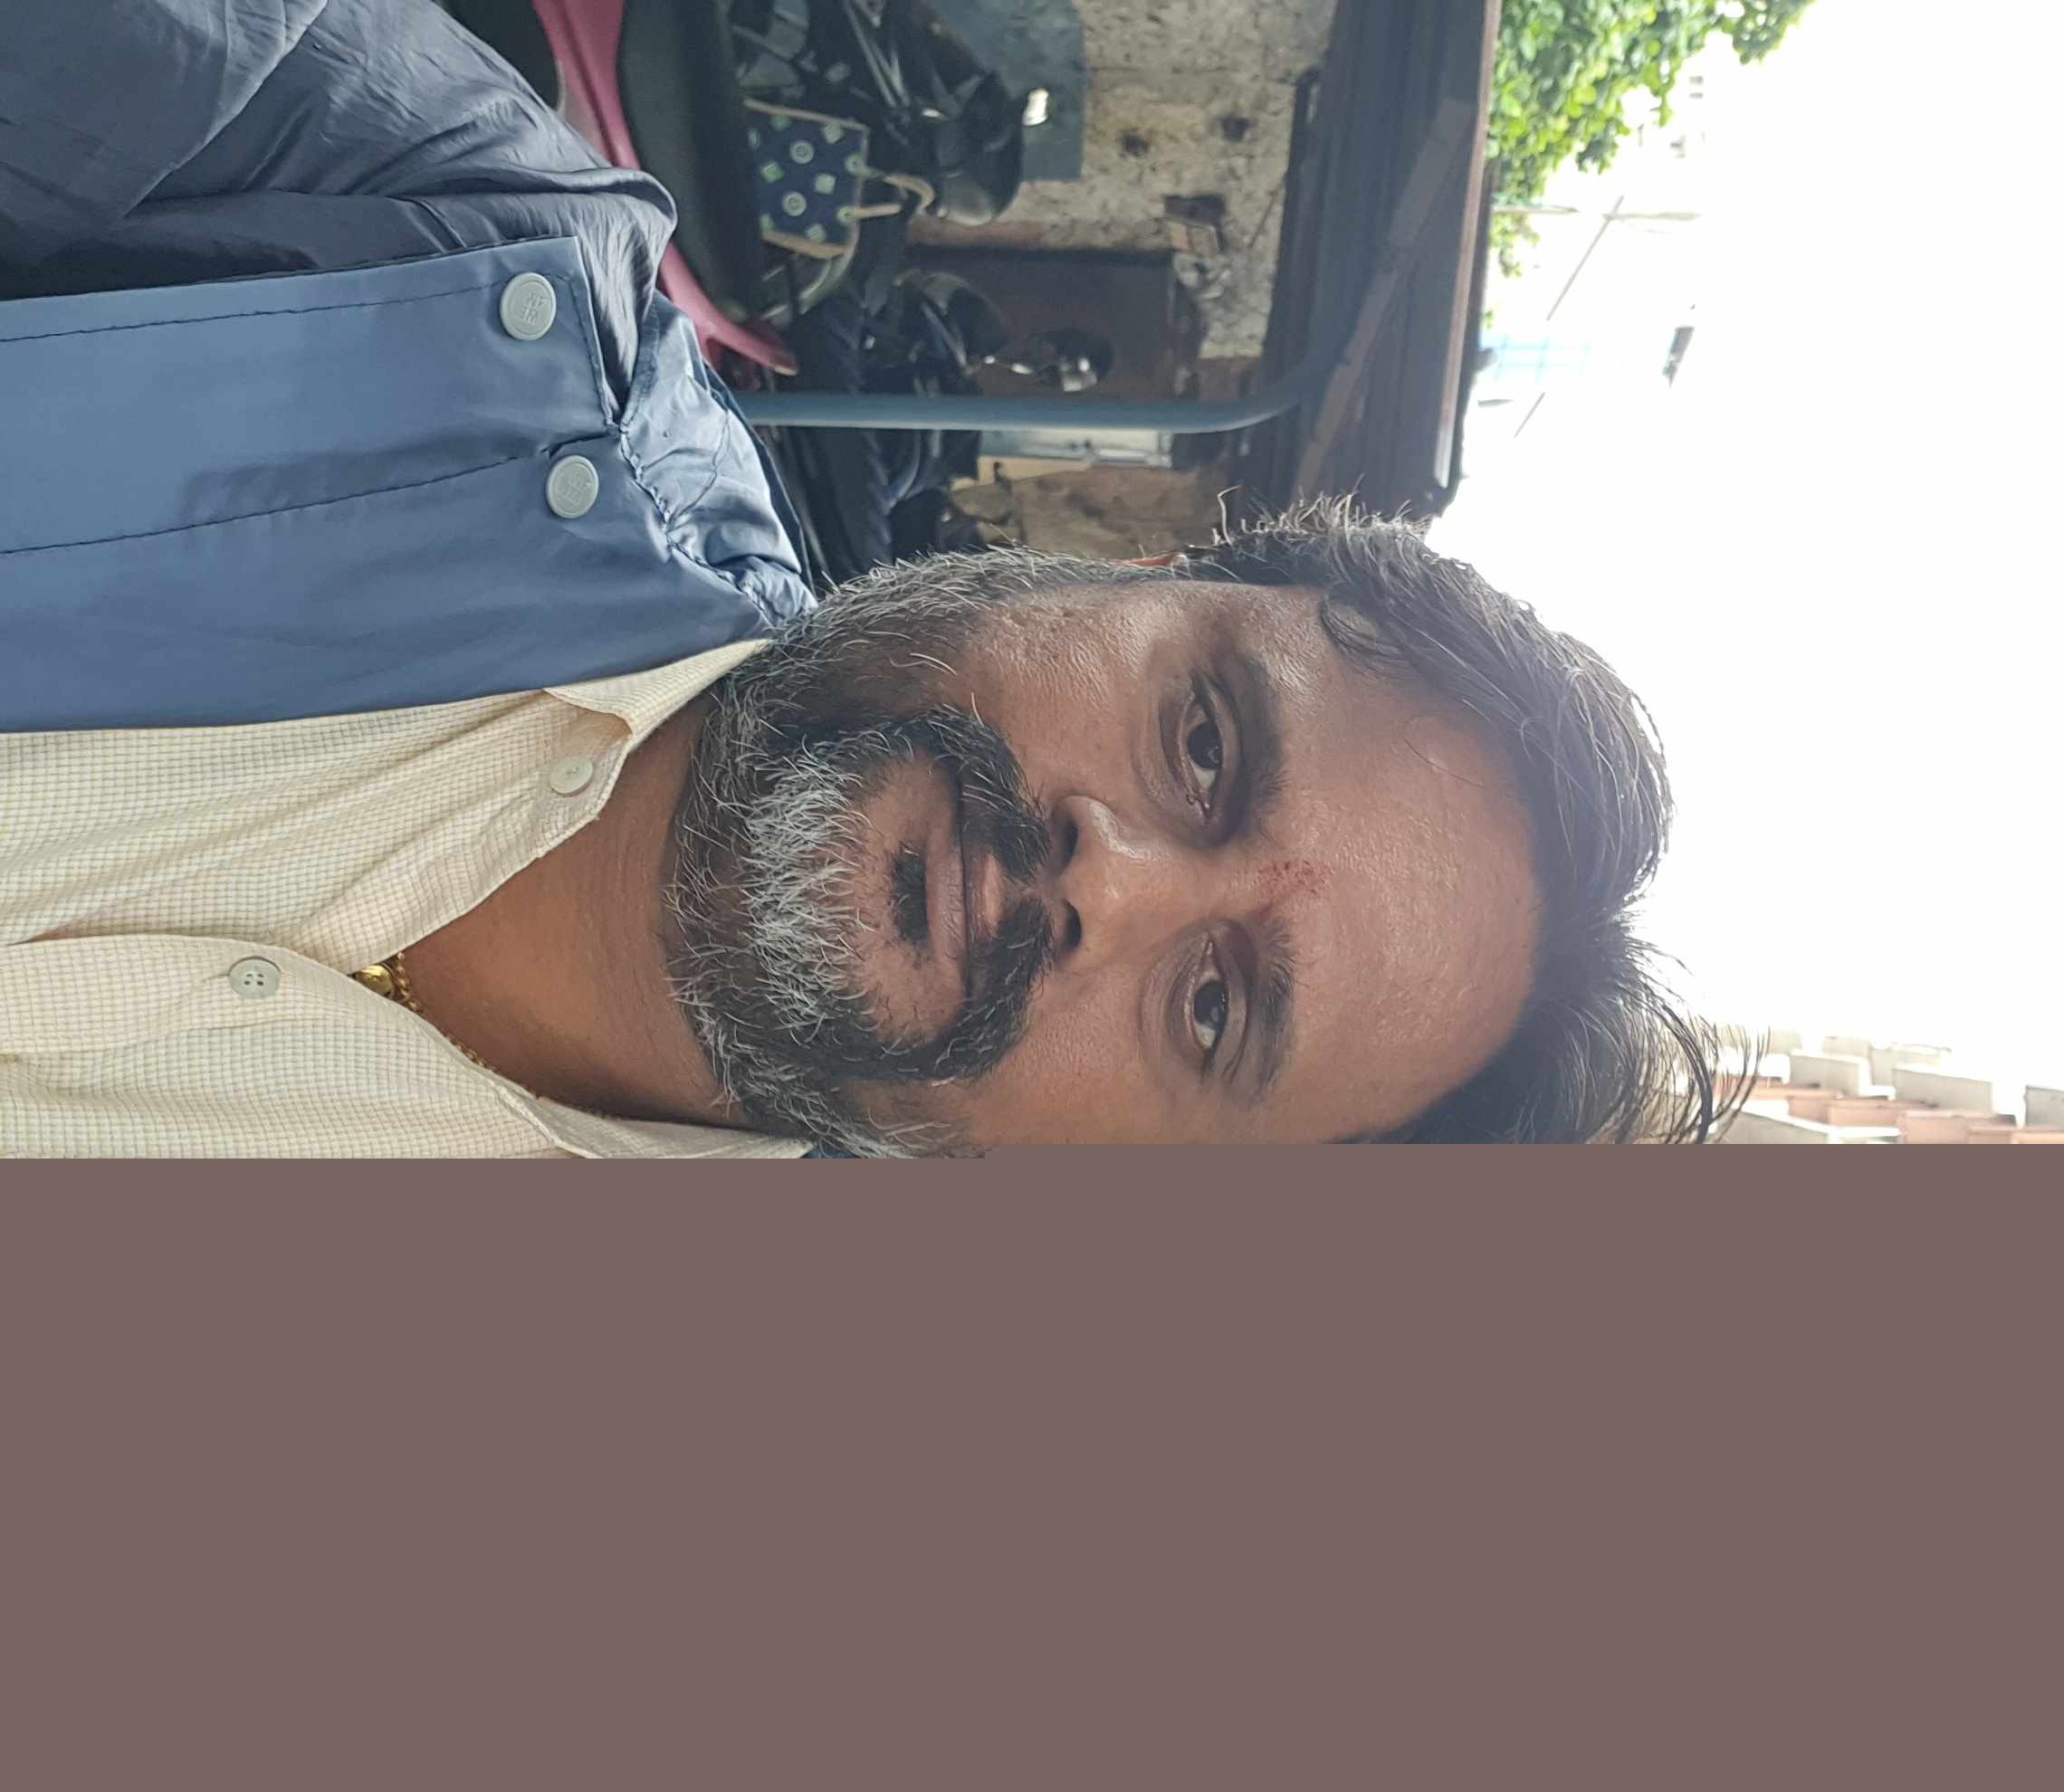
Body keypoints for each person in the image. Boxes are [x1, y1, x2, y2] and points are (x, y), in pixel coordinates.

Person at [0, 1, 1726, 1154]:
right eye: (1202, 744)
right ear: (1113, 578)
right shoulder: (457, 261)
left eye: (1214, 1008)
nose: (1108, 879)